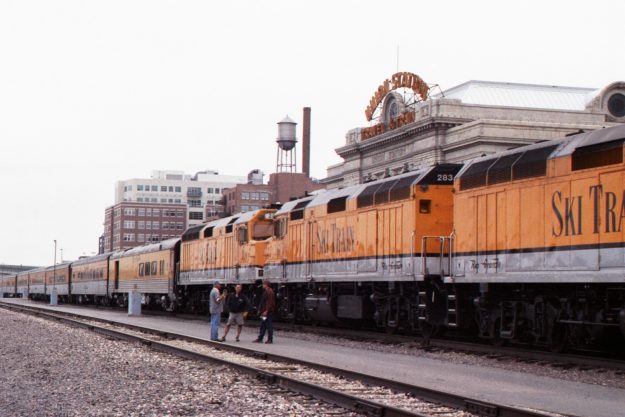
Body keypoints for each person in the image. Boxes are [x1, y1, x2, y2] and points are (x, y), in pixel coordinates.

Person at [254, 279, 275, 344]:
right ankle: (260, 338)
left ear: (266, 285)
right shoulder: (268, 291)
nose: (262, 285)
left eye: (263, 284)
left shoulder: (269, 292)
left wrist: (266, 310)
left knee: (269, 325)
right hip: (265, 312)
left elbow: (269, 302)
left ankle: (269, 339)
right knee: (263, 324)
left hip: (267, 312)